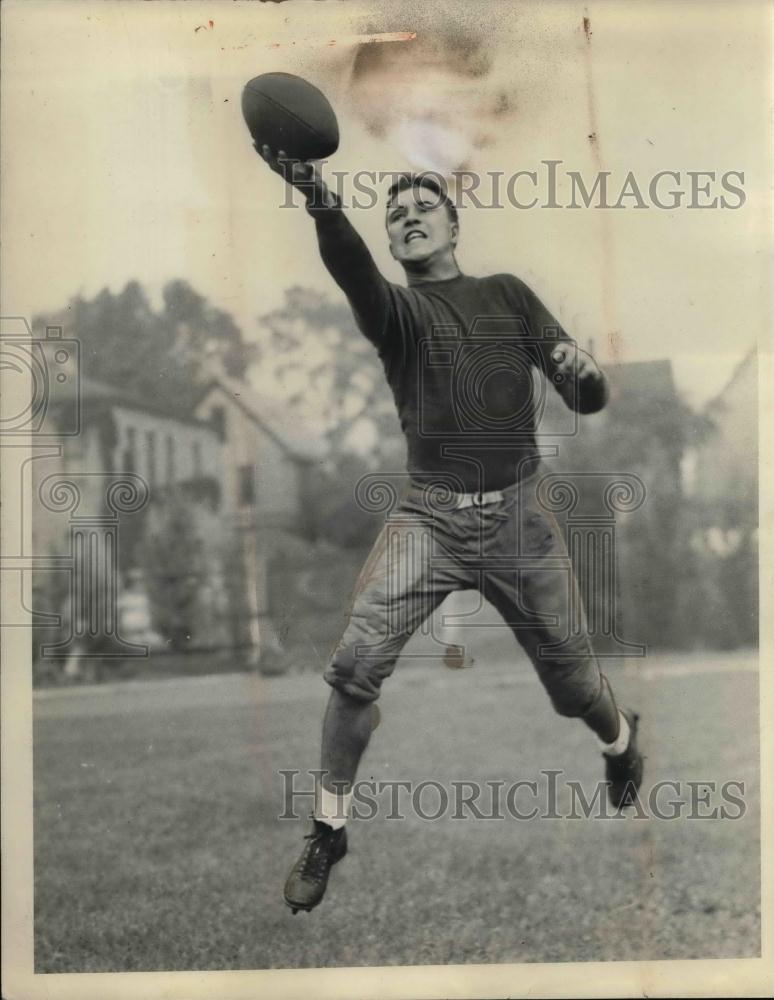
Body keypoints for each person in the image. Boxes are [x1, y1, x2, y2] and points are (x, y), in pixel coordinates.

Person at [256, 145, 644, 914]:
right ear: (391, 241)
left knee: (572, 688)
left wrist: (589, 375)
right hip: (430, 517)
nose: (408, 217)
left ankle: (621, 740)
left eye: (423, 207)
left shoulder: (508, 294)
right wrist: (313, 189)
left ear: (454, 226)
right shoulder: (396, 314)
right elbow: (349, 264)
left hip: (519, 518)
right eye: (395, 214)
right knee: (354, 666)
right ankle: (329, 827)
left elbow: (585, 395)